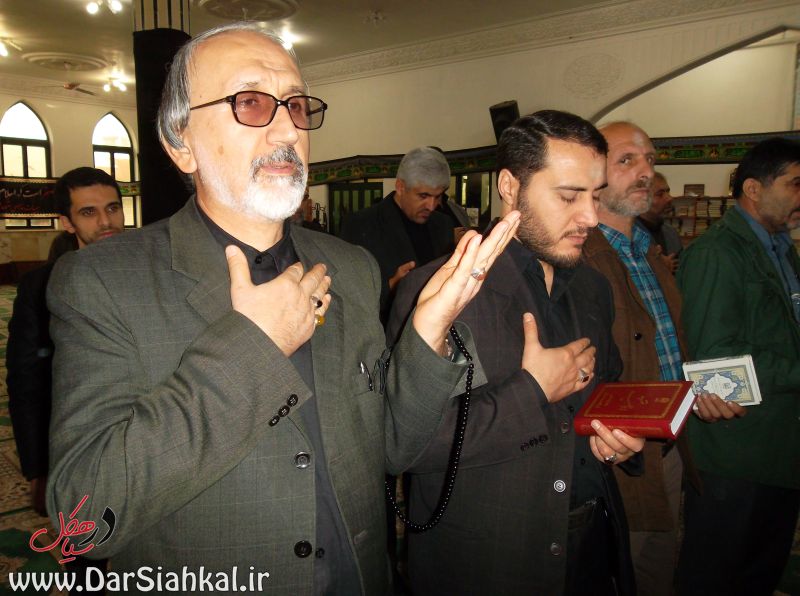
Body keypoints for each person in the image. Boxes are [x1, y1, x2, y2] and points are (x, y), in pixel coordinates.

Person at [45, 22, 519, 595]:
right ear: (181, 144)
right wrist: (255, 348)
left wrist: (428, 329)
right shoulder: (103, 280)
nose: (288, 128)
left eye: (295, 105)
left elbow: (392, 445)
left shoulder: (351, 267)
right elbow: (81, 515)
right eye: (249, 102)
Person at [388, 110, 645, 595]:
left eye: (595, 195)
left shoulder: (593, 287)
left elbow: (607, 387)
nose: (590, 217)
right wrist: (532, 391)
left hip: (592, 547)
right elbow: (411, 447)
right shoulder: (435, 292)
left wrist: (618, 435)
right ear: (509, 186)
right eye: (568, 196)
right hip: (488, 562)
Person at [582, 122, 743, 596]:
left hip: (667, 447)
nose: (645, 172)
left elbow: (668, 349)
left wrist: (697, 395)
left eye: (650, 160)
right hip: (616, 456)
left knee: (656, 568)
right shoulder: (579, 257)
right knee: (616, 571)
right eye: (626, 160)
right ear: (594, 174)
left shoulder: (648, 253)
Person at [676, 137, 800, 596]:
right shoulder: (717, 253)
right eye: (795, 184)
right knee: (718, 576)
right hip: (736, 453)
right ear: (753, 188)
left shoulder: (781, 248)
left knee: (760, 573)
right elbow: (715, 360)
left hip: (777, 446)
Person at [8, 167, 122, 591]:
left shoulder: (151, 272)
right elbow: (27, 381)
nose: (106, 221)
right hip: (77, 447)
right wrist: (38, 468)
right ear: (67, 222)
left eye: (112, 208)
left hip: (142, 437)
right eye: (89, 212)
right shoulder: (41, 288)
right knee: (87, 561)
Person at [340, 146, 456, 318]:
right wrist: (390, 287)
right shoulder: (360, 225)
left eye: (438, 196)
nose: (432, 206)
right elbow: (347, 297)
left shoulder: (443, 225)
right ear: (401, 187)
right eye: (423, 196)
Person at [636, 171, 682, 273]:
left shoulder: (671, 233)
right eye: (660, 194)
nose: (669, 198)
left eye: (668, 192)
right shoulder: (629, 235)